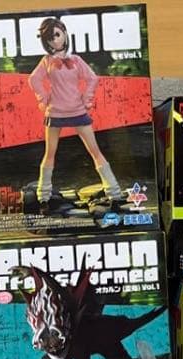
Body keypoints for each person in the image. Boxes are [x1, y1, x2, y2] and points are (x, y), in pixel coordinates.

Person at [28, 17, 125, 217]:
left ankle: (115, 194)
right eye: (50, 38)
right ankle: (43, 198)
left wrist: (87, 98)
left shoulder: (77, 60)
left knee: (95, 151)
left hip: (78, 111)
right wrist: (43, 98)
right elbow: (34, 79)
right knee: (50, 153)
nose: (55, 40)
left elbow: (92, 78)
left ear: (64, 33)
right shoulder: (47, 61)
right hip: (55, 112)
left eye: (57, 35)